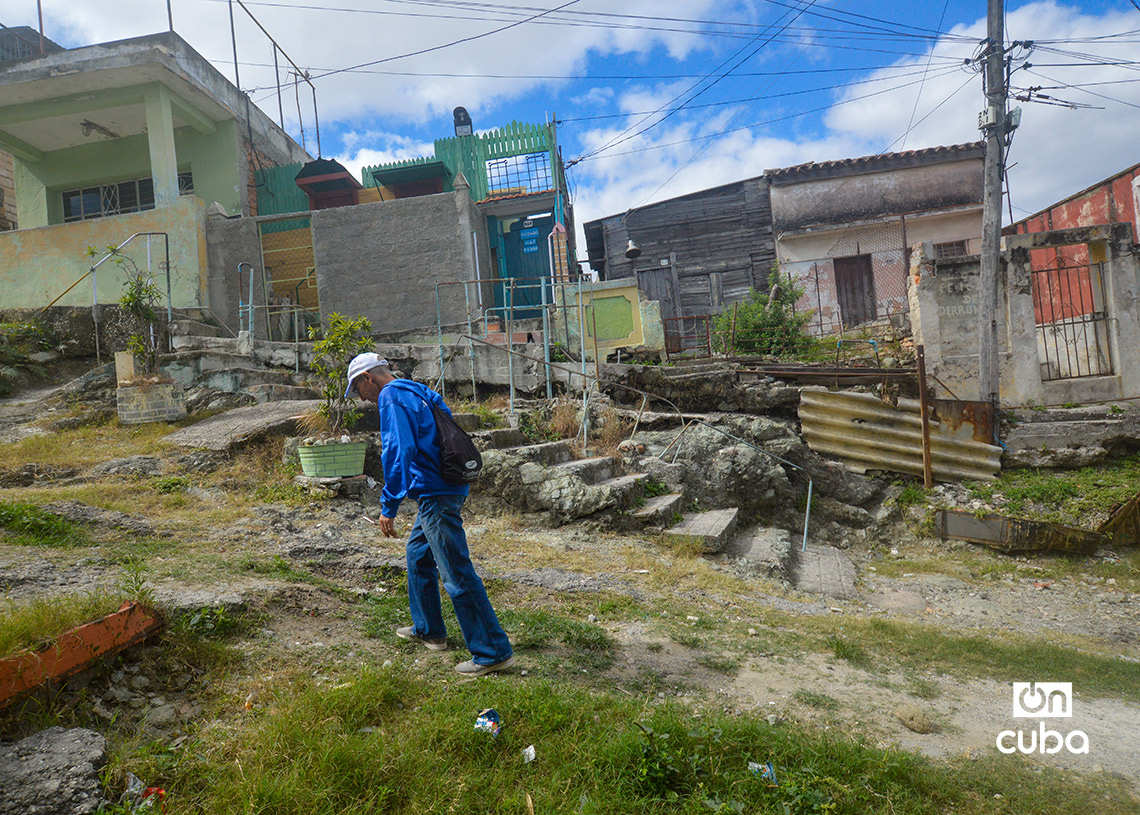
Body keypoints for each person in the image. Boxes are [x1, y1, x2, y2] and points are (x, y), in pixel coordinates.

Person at [345, 352, 514, 676]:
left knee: (456, 572)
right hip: (442, 487)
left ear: (368, 378)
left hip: (436, 492)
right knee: (418, 556)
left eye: (358, 389)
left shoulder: (392, 397)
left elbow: (398, 450)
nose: (361, 398)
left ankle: (493, 651)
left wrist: (389, 504)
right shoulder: (415, 389)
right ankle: (429, 629)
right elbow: (445, 425)